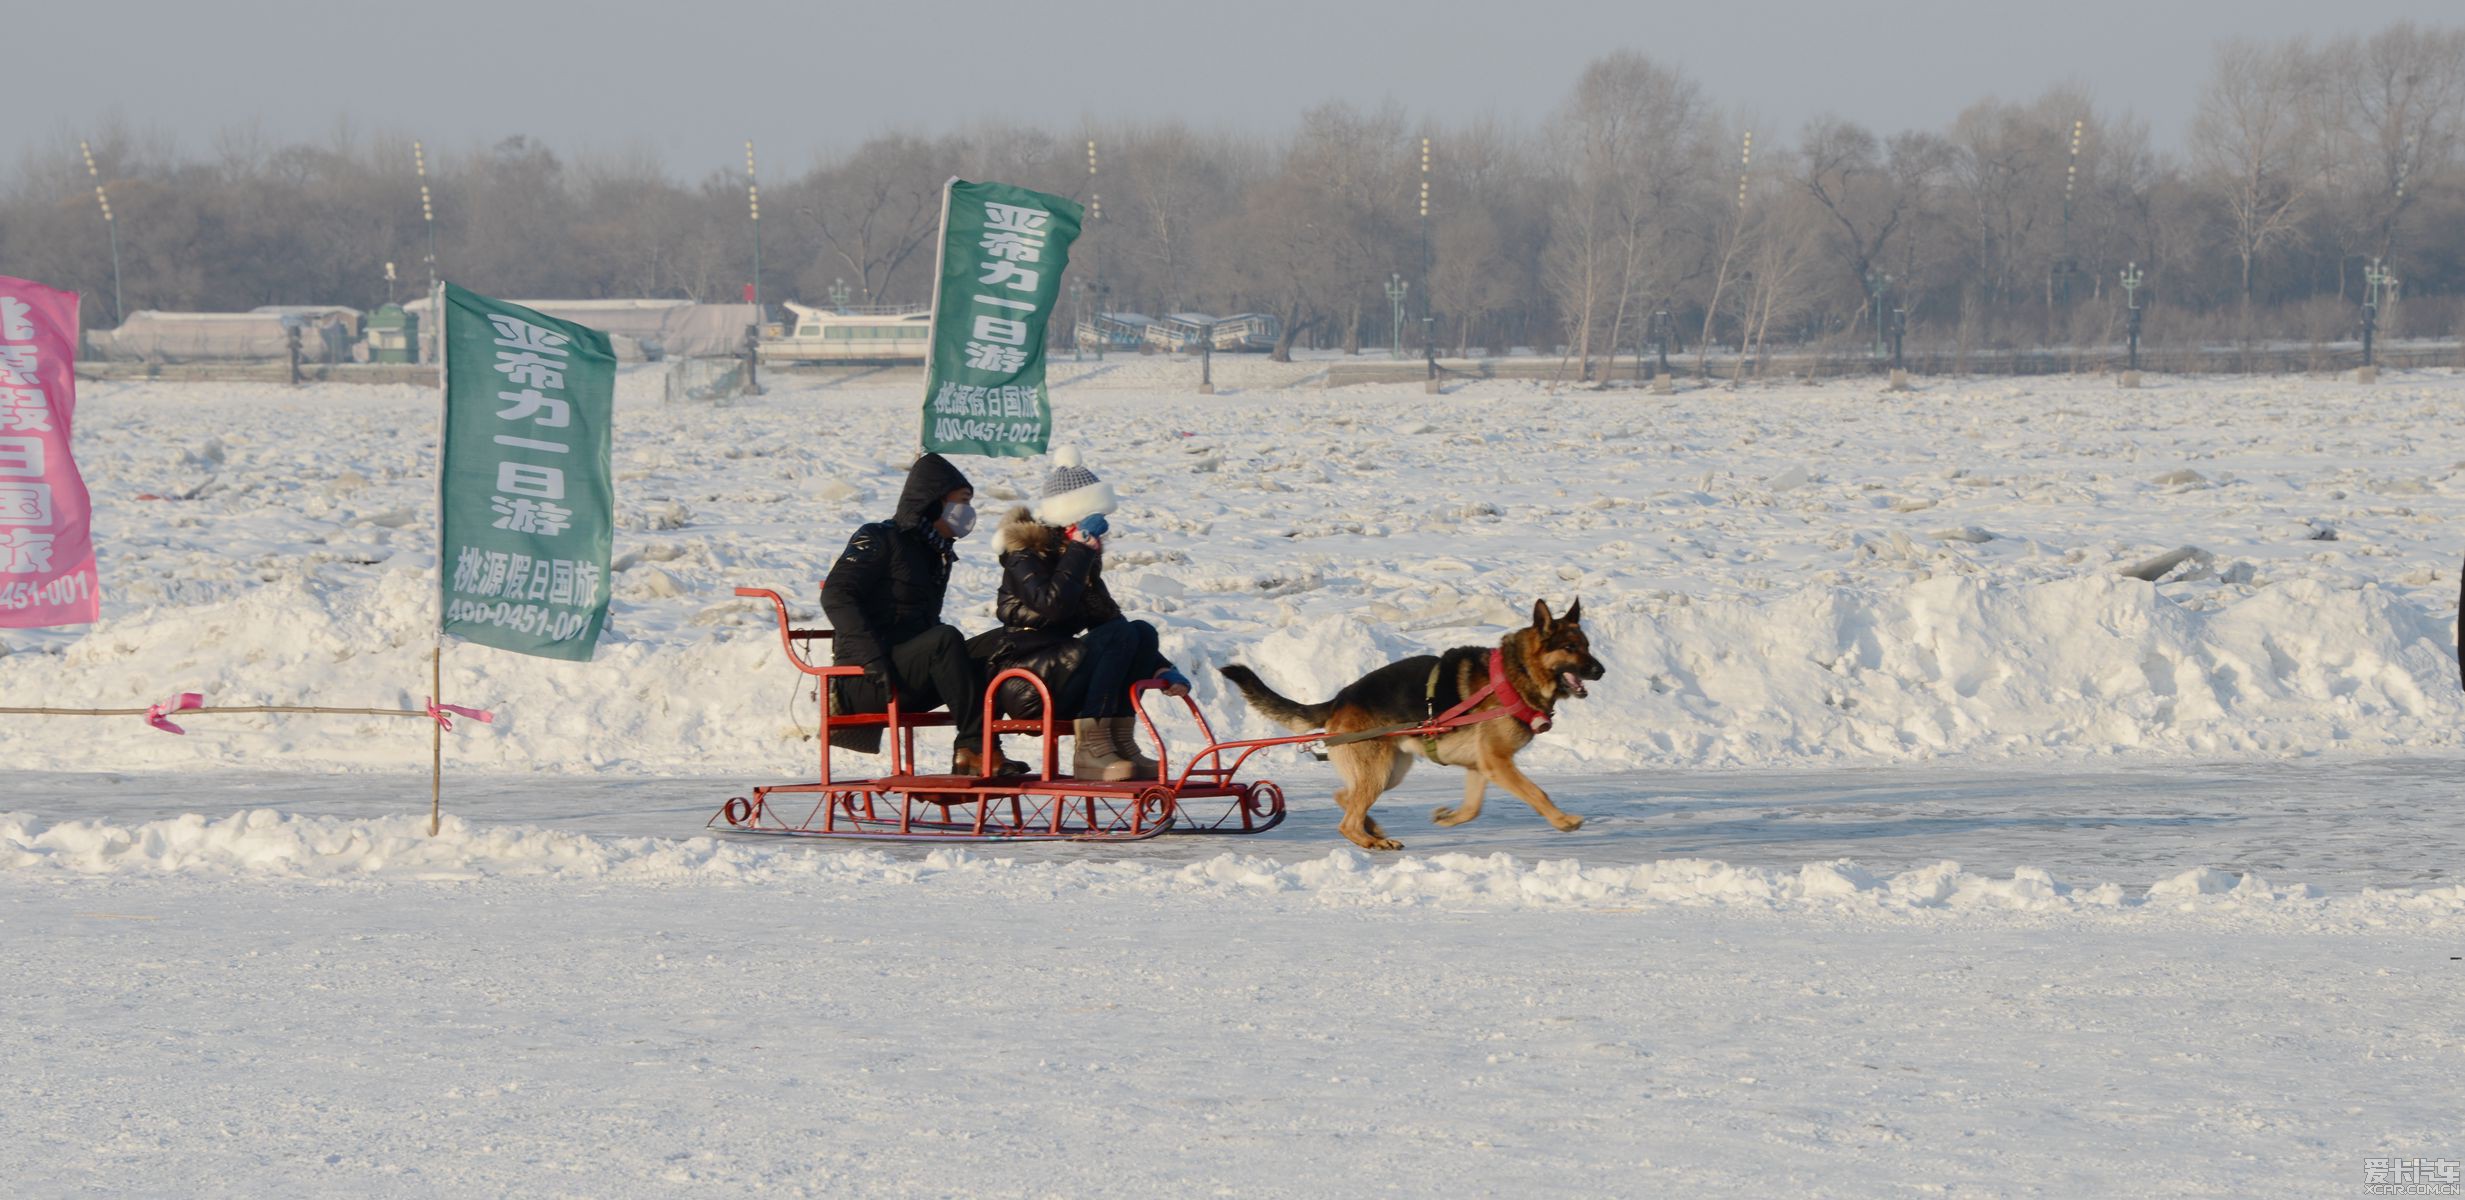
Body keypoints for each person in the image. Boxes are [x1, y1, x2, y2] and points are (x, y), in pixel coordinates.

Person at [969, 447, 1190, 781]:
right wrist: (1080, 550)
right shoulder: (1024, 556)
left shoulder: (1078, 558)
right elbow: (1052, 604)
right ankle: (1092, 748)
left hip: (1062, 672)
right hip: (1027, 682)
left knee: (1139, 631)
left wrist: (1162, 667)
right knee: (1119, 636)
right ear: (1069, 520)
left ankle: (1118, 741)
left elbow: (1113, 624)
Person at [821, 452, 1023, 776]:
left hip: (910, 670)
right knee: (944, 639)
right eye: (962, 501)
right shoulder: (878, 537)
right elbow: (835, 595)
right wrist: (871, 659)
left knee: (1007, 640)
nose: (968, 511)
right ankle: (976, 746)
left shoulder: (935, 554)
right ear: (933, 501)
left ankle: (975, 748)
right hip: (866, 678)